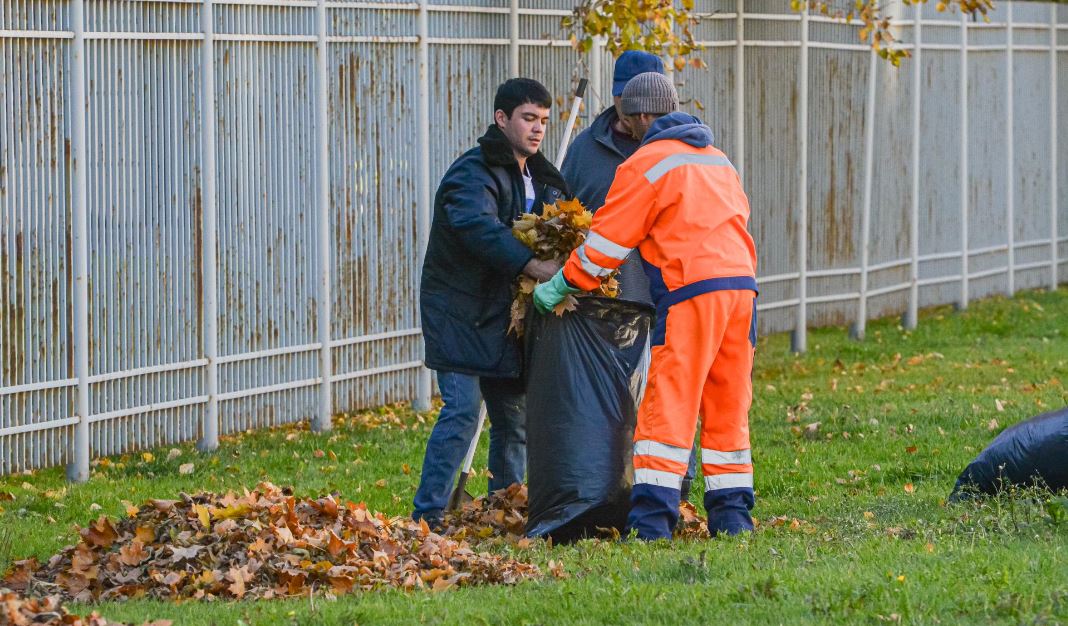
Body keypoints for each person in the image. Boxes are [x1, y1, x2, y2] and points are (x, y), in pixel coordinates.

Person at [533, 72, 758, 540]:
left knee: (669, 400)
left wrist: (561, 284)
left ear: (638, 116)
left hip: (690, 290)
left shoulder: (648, 163)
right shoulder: (717, 159)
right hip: (741, 290)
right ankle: (733, 517)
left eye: (625, 118)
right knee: (727, 401)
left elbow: (606, 247)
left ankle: (652, 520)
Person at [413, 78, 569, 528]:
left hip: (505, 317)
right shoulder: (473, 171)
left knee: (512, 419)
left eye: (543, 120)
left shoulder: (539, 175)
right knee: (462, 410)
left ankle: (507, 507)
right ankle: (428, 517)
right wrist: (531, 265)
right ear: (501, 119)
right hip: (460, 311)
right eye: (528, 118)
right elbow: (476, 227)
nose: (538, 129)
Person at [560, 50, 700, 501]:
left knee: (671, 388)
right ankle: (607, 484)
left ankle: (677, 480)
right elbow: (569, 216)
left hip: (671, 291)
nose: (637, 120)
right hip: (605, 299)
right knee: (610, 398)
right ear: (620, 99)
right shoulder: (585, 149)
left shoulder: (683, 147)